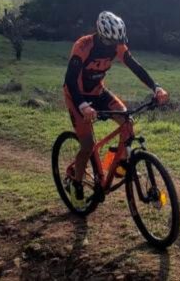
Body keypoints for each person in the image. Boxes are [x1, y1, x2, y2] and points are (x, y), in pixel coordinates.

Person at [62, 11, 169, 207]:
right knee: (87, 146)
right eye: (112, 42)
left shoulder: (117, 44)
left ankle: (116, 164)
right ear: (102, 36)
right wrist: (83, 105)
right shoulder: (83, 46)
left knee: (127, 123)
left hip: (98, 92)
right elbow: (70, 80)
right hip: (76, 96)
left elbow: (134, 66)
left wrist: (156, 87)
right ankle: (76, 183)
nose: (116, 45)